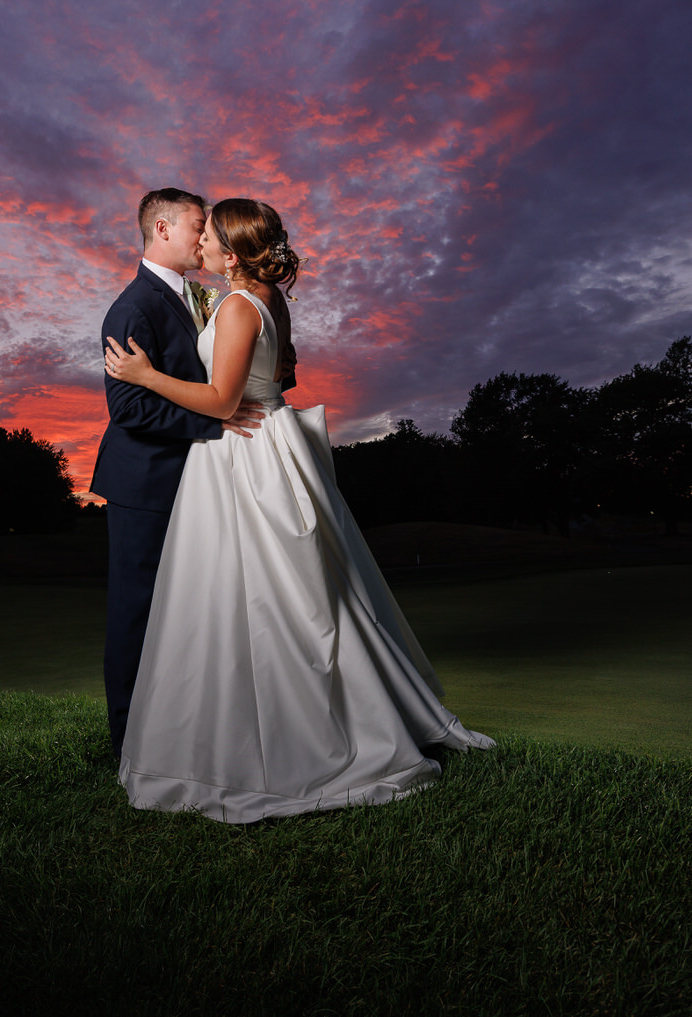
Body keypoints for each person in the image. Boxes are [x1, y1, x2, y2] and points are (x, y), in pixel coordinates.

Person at [103, 197, 493, 823]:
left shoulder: (233, 303)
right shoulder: (258, 296)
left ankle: (272, 734)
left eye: (208, 234)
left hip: (242, 454)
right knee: (278, 590)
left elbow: (225, 398)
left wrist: (150, 376)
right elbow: (270, 376)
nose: (200, 240)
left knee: (253, 593)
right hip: (257, 448)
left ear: (229, 254)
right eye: (195, 229)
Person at [89, 188, 264, 762]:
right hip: (145, 486)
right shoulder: (132, 307)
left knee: (188, 614)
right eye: (197, 224)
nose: (205, 234)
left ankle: (179, 734)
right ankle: (128, 748)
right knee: (136, 614)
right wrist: (216, 422)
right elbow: (129, 409)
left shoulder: (200, 296)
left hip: (190, 483)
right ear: (162, 228)